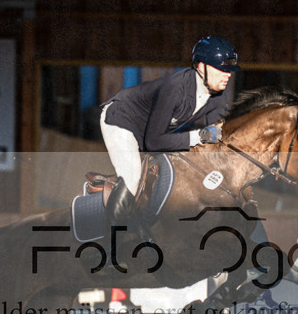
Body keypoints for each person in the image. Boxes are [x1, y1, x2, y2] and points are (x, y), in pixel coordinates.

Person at [99, 35, 241, 224]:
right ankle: (112, 241)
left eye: (229, 70)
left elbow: (216, 137)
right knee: (132, 176)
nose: (228, 74)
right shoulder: (175, 88)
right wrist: (197, 136)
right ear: (201, 67)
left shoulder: (219, 96)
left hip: (149, 130)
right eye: (221, 69)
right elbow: (154, 142)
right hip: (121, 119)